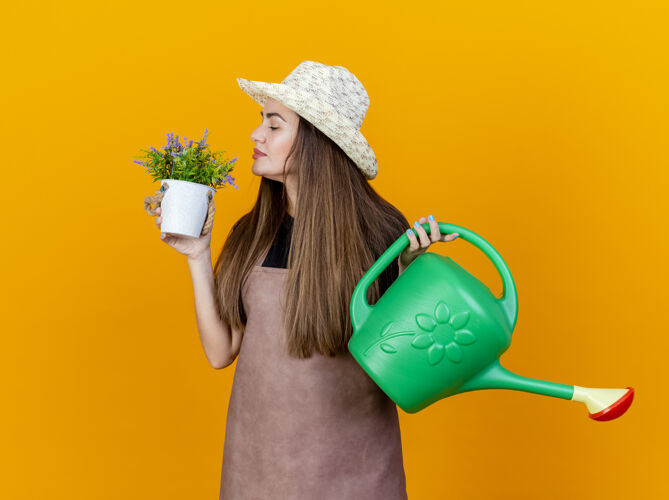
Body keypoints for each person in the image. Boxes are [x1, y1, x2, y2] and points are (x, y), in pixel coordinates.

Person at [150, 61, 459, 499]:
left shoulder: (381, 235)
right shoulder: (251, 233)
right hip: (256, 475)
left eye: (274, 125)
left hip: (357, 479)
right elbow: (221, 352)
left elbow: (407, 364)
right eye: (261, 122)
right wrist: (198, 255)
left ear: (317, 142)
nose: (257, 135)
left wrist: (409, 272)